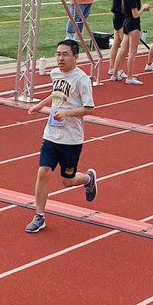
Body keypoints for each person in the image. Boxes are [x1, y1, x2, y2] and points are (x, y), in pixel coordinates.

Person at [24, 39, 97, 233]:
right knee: (43, 171)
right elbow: (58, 93)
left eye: (65, 54)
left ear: (75, 57)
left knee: (67, 180)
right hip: (51, 134)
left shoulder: (82, 79)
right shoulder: (55, 73)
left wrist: (66, 113)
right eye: (58, 54)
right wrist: (41, 104)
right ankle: (39, 216)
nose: (60, 58)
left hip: (71, 139)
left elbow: (89, 108)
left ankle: (88, 179)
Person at [118, 0, 149, 85]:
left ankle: (116, 73)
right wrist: (143, 7)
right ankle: (129, 77)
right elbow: (135, 14)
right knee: (132, 52)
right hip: (133, 24)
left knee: (123, 50)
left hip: (126, 23)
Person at [106, 0, 131, 82]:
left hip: (117, 18)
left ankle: (112, 67)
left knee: (116, 43)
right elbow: (122, 7)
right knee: (125, 46)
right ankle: (118, 69)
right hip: (120, 19)